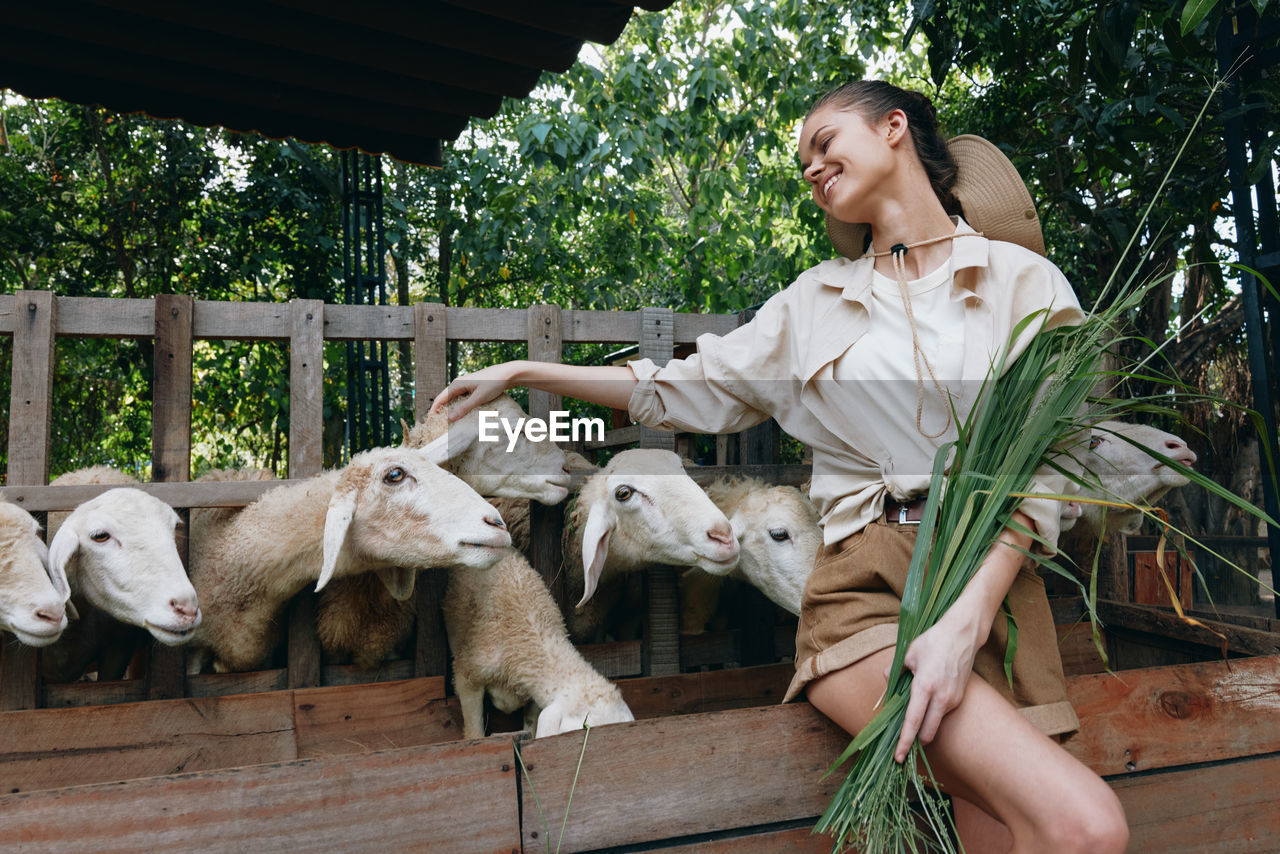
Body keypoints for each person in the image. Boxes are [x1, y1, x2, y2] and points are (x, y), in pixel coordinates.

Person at [430, 80, 1128, 853]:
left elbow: (1044, 472)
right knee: (1086, 826)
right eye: (803, 164)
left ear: (894, 127)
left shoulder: (1026, 285)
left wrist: (967, 617)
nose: (812, 167)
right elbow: (671, 390)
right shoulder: (812, 305)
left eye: (825, 142)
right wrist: (526, 374)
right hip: (868, 591)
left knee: (1017, 836)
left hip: (996, 594)